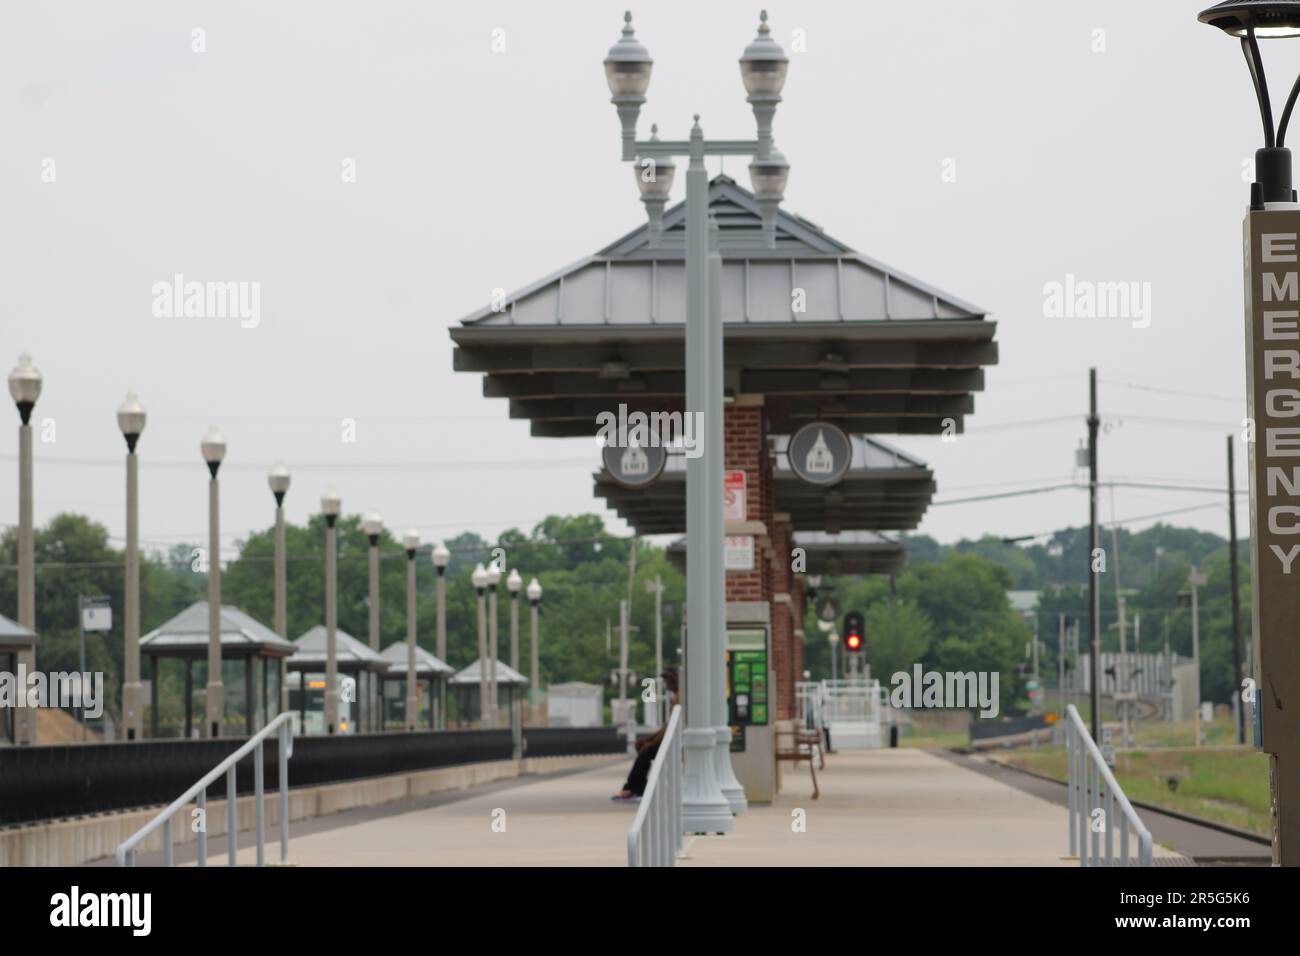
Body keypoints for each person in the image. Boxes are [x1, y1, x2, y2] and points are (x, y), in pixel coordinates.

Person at [611, 667, 678, 802]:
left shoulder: (679, 697)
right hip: (671, 739)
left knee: (645, 752)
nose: (666, 685)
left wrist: (650, 743)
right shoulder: (675, 696)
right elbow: (667, 726)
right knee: (644, 751)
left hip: (675, 742)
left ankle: (632, 788)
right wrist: (648, 740)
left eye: (668, 681)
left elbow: (669, 728)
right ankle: (636, 788)